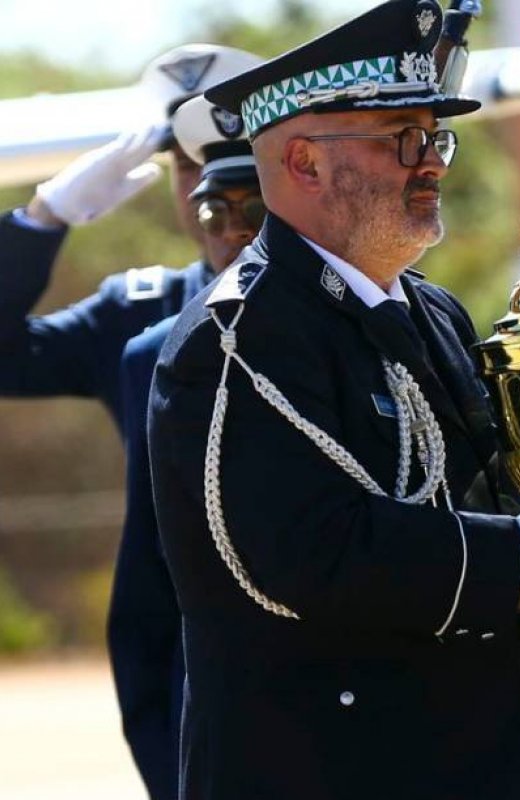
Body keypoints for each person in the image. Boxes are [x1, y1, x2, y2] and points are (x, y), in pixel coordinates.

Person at [147, 3, 520, 797]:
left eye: (436, 139)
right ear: (304, 163)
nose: (431, 164)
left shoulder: (432, 312)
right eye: (402, 139)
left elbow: (485, 495)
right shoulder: (236, 339)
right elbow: (307, 554)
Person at [110, 90, 265, 800]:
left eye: (253, 209)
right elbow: (146, 588)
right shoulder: (151, 353)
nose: (231, 231)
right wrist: (42, 220)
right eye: (212, 212)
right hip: (220, 722)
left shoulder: (398, 319)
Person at [0, 44, 261, 435]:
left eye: (225, 163)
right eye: (187, 163)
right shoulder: (136, 312)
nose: (208, 186)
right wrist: (43, 217)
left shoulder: (345, 291)